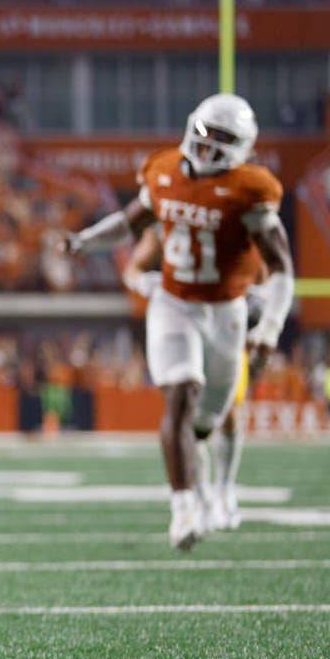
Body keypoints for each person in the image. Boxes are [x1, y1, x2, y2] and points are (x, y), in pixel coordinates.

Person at [65, 93, 293, 551]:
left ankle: (214, 487)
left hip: (226, 310)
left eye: (221, 141)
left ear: (241, 148)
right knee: (180, 396)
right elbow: (131, 221)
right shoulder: (164, 169)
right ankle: (184, 505)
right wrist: (85, 241)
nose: (207, 148)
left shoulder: (251, 189)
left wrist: (268, 328)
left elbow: (283, 268)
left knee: (208, 421)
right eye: (205, 134)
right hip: (173, 302)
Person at [122, 225, 269, 532]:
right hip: (181, 323)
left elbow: (262, 270)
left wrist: (260, 307)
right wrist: (144, 283)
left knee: (228, 413)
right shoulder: (167, 219)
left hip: (223, 322)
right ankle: (200, 498)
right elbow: (133, 268)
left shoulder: (231, 215)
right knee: (187, 414)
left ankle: (225, 489)